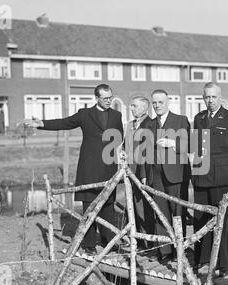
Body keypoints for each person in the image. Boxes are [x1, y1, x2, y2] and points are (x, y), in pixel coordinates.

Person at [25, 84, 123, 255]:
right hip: (89, 166)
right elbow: (65, 122)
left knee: (108, 205)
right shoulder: (85, 114)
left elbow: (119, 137)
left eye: (110, 98)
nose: (109, 101)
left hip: (109, 166)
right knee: (89, 206)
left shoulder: (116, 115)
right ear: (97, 98)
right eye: (105, 98)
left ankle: (110, 242)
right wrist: (41, 123)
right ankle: (90, 244)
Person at [192, 82, 228, 276]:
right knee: (201, 219)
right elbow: (196, 146)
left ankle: (224, 264)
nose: (210, 101)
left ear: (220, 97)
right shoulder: (199, 118)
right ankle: (202, 260)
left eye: (213, 97)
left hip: (224, 179)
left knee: (223, 221)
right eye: (207, 97)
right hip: (202, 176)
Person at [143, 89, 191, 262]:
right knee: (160, 214)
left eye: (160, 102)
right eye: (154, 103)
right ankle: (165, 252)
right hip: (156, 176)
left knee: (178, 213)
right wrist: (145, 175)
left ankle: (180, 250)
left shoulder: (180, 120)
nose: (157, 106)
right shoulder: (149, 125)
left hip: (176, 174)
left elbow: (190, 144)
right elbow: (145, 154)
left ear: (167, 101)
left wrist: (173, 143)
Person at [123, 96, 154, 250]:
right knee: (132, 206)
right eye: (131, 105)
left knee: (144, 206)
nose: (132, 108)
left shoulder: (151, 125)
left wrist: (145, 174)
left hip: (143, 173)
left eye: (135, 106)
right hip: (130, 171)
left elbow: (149, 152)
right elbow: (125, 146)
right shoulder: (129, 125)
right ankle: (138, 240)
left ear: (144, 108)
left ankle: (149, 241)